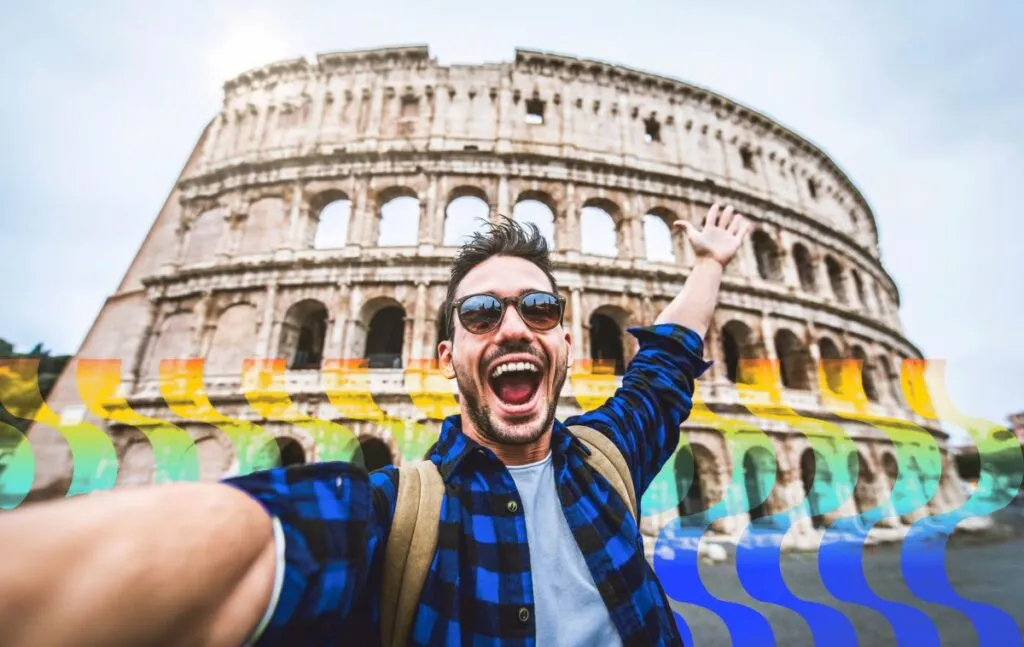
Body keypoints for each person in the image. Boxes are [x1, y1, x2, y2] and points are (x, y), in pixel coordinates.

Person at [0, 203, 749, 646]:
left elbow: (669, 359)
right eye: (484, 312)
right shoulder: (392, 512)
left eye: (540, 310)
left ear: (563, 342)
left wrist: (710, 262)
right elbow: (254, 540)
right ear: (448, 354)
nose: (515, 326)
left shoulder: (610, 453)